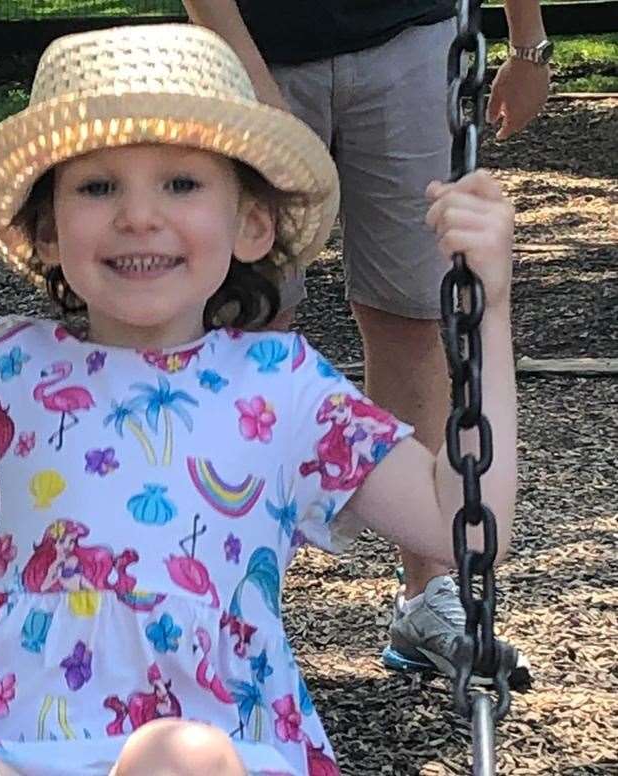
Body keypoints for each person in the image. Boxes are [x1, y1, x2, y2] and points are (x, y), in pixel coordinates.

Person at [0, 24, 518, 776]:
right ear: (47, 229)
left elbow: (464, 529)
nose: (138, 216)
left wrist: (486, 310)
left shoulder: (283, 386)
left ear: (251, 222)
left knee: (176, 755)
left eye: (181, 183)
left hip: (215, 739)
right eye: (97, 186)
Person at [180, 0, 546, 685]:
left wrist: (528, 42)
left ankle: (429, 591)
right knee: (239, 328)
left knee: (412, 312)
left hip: (407, 34)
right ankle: (220, 592)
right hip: (247, 42)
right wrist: (249, 73)